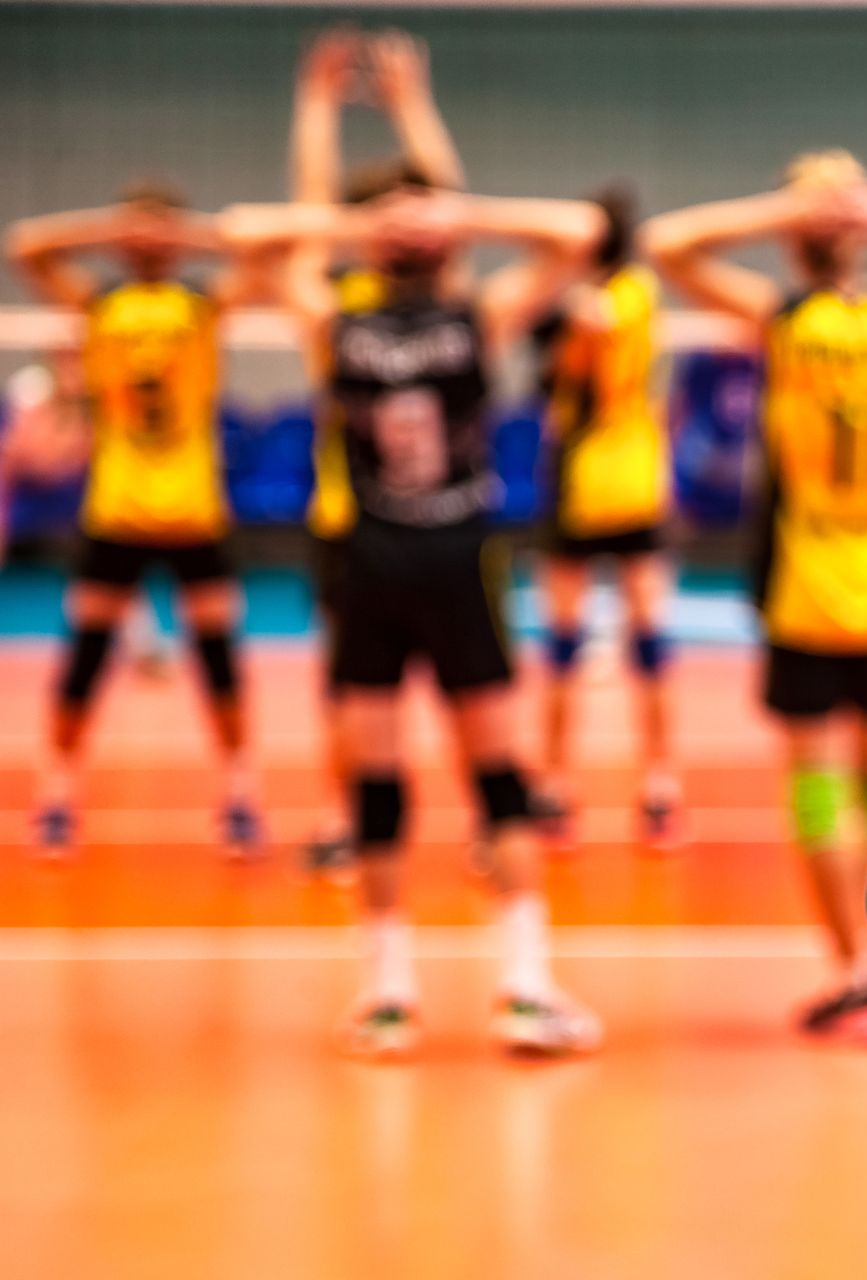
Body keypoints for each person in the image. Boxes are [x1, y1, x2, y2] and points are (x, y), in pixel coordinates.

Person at [222, 180, 604, 1058]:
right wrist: (367, 225)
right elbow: (244, 230)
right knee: (377, 788)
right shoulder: (336, 322)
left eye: (418, 218)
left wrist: (455, 213)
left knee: (501, 776)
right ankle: (387, 993)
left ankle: (525, 984)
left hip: (462, 561)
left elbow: (578, 229)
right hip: (372, 565)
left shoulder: (480, 315)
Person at [647, 153, 867, 1038]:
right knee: (858, 794)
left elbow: (668, 243)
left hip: (852, 591)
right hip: (853, 592)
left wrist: (829, 209)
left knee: (846, 797)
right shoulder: (847, 312)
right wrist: (862, 207)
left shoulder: (851, 311)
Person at [7, 182, 266, 860]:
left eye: (160, 232)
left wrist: (183, 231)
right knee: (86, 659)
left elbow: (262, 258)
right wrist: (117, 226)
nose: (149, 240)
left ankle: (240, 791)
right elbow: (26, 248)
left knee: (219, 664)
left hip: (193, 513)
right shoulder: (99, 305)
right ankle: (57, 792)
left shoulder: (203, 305)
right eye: (139, 231)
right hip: (116, 511)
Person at [289, 27, 469, 879]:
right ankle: (345, 817)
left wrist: (409, 106)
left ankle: (492, 817)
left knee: (476, 694)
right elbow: (306, 212)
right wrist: (317, 107)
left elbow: (449, 203)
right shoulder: (338, 305)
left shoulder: (447, 300)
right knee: (353, 695)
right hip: (349, 520)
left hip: (445, 524)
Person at [532, 186, 682, 847]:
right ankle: (612, 784)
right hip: (611, 479)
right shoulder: (631, 294)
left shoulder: (603, 303)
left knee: (615, 641)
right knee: (609, 641)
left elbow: (568, 369)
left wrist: (566, 326)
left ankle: (623, 784)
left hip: (600, 480)